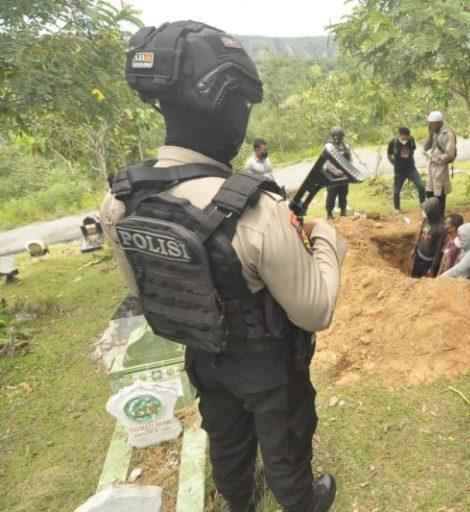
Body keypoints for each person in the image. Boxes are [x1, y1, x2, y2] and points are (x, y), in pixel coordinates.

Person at [102, 21, 345, 512]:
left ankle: (238, 501)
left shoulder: (120, 199)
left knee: (227, 435)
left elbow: (144, 291)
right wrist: (327, 242)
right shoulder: (257, 210)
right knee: (285, 443)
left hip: (201, 354)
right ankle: (303, 501)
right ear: (229, 106)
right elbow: (315, 312)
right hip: (267, 364)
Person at [423, 111, 456, 217]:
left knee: (439, 194)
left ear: (439, 122)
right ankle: (430, 218)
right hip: (432, 168)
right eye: (429, 124)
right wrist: (430, 134)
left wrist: (436, 159)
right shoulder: (434, 133)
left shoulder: (448, 134)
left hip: (441, 168)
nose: (430, 126)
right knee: (430, 192)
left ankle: (440, 218)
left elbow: (449, 154)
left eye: (432, 123)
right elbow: (425, 147)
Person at [388, 126, 426, 212]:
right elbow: (389, 155)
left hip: (411, 170)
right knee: (397, 190)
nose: (408, 137)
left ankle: (423, 206)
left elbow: (412, 150)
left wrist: (409, 160)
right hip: (399, 171)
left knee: (421, 187)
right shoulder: (393, 142)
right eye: (406, 136)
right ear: (400, 135)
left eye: (409, 136)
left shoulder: (411, 140)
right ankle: (397, 208)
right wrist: (395, 164)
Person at [411, 197, 446, 278]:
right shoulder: (427, 220)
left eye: (425, 210)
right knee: (414, 276)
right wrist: (415, 248)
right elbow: (421, 234)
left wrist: (432, 268)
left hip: (428, 261)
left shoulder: (441, 228)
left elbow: (439, 251)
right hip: (419, 255)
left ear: (432, 212)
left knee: (423, 282)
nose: (423, 213)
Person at [325, 126, 351, 220]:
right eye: (336, 136)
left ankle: (343, 211)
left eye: (339, 136)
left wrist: (347, 170)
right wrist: (336, 172)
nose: (337, 137)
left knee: (344, 192)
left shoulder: (345, 146)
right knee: (332, 193)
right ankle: (329, 213)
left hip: (344, 173)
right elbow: (327, 163)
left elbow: (349, 159)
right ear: (333, 136)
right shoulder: (328, 146)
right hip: (332, 174)